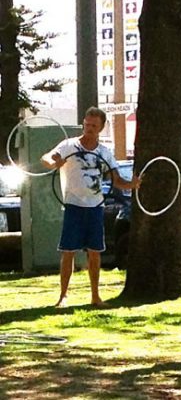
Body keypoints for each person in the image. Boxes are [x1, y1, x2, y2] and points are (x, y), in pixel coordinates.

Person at [41, 107, 140, 308]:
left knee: (95, 252)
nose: (89, 129)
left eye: (94, 126)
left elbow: (117, 180)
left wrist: (133, 185)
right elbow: (46, 158)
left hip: (95, 206)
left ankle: (95, 296)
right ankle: (63, 296)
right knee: (68, 251)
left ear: (101, 128)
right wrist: (54, 163)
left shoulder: (105, 152)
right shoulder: (69, 146)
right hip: (73, 205)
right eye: (87, 124)